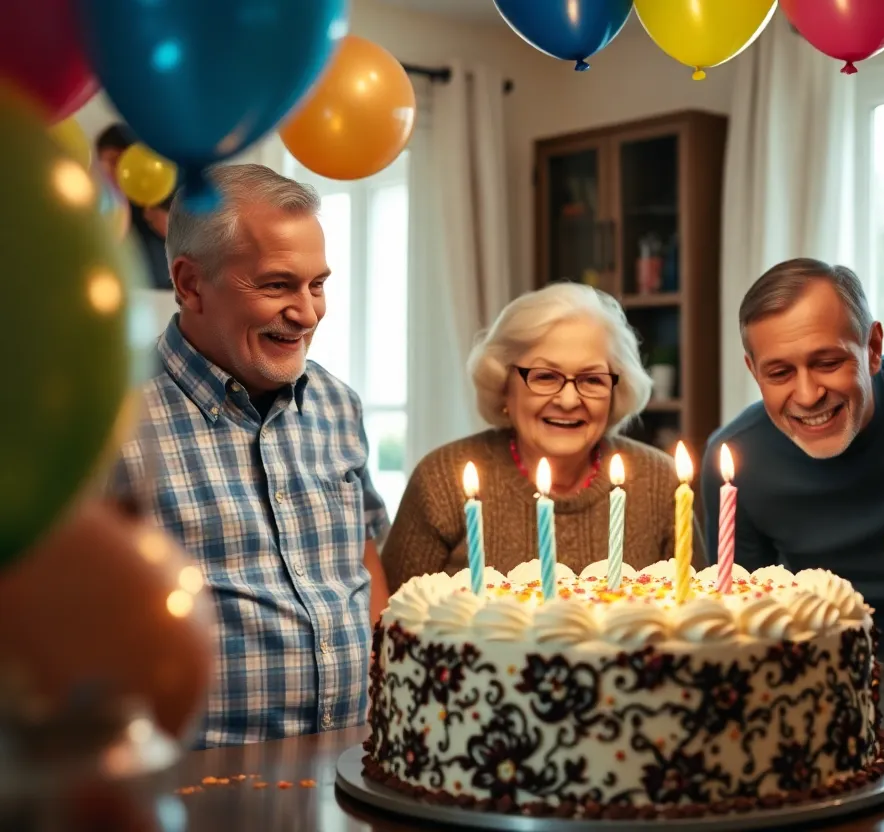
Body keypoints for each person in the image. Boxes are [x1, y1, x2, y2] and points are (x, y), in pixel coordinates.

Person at [106, 164, 390, 749]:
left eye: (317, 284)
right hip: (198, 788)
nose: (308, 313)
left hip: (354, 765)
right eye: (278, 285)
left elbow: (361, 560)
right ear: (189, 284)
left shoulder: (339, 405)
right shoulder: (112, 425)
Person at [700, 258, 884, 721]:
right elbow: (746, 618)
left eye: (827, 362)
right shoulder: (734, 460)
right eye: (779, 374)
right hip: (828, 670)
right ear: (753, 371)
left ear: (872, 348)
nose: (808, 394)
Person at [382, 282, 702, 588]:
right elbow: (390, 620)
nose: (568, 400)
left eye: (592, 379)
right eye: (545, 376)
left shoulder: (661, 483)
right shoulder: (443, 480)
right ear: (504, 385)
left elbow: (699, 615)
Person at [94, 123, 173, 291]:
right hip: (119, 290)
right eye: (108, 161)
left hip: (165, 295)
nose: (114, 170)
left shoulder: (163, 196)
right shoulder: (98, 201)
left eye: (119, 161)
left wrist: (169, 229)